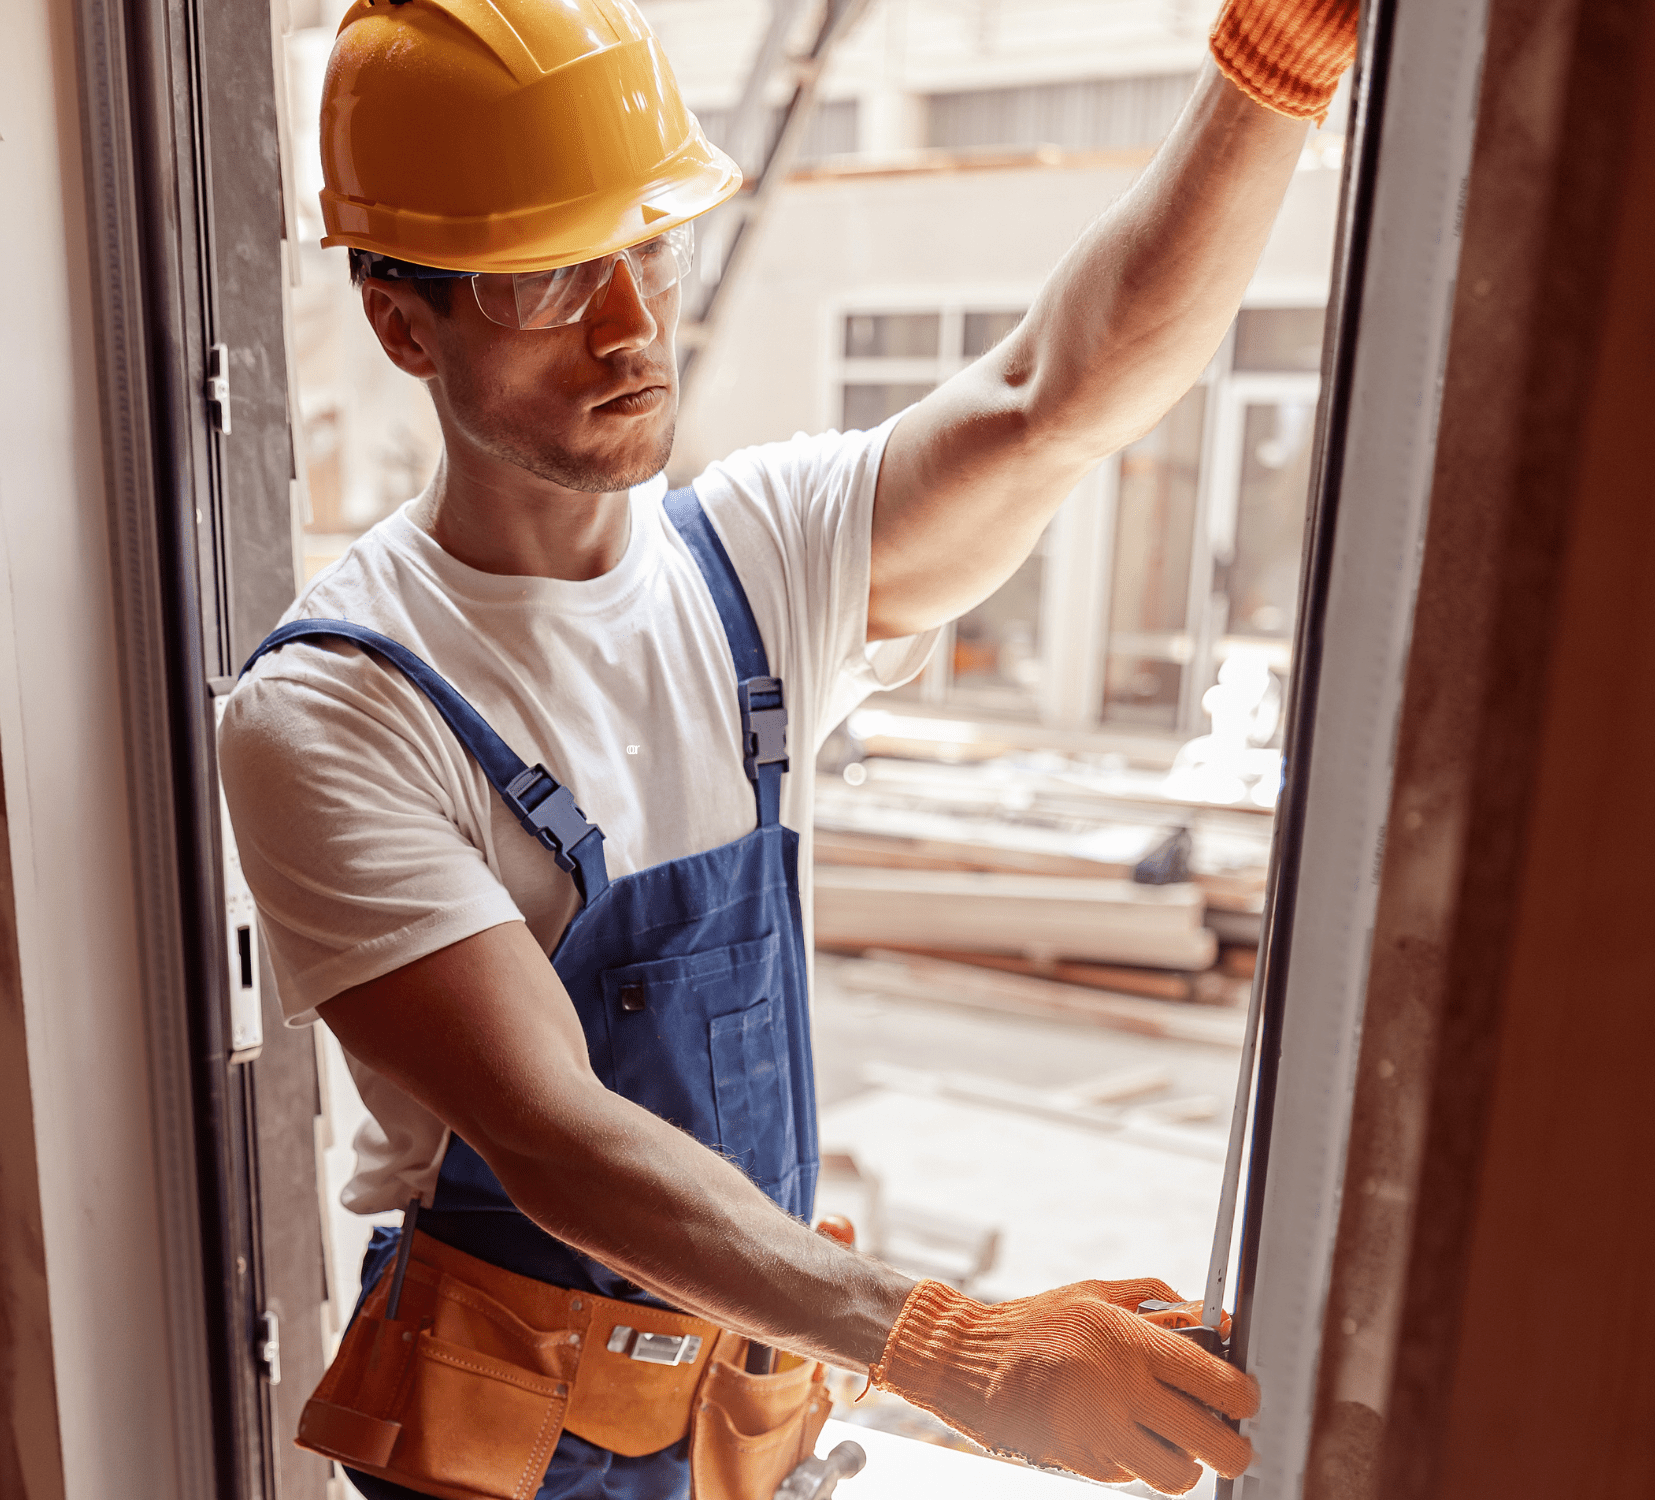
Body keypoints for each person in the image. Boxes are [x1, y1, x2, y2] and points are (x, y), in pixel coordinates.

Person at [220, 0, 1356, 1494]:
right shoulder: (335, 709)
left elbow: (1051, 400)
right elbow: (554, 1141)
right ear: (398, 318)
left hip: (739, 1407)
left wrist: (1270, 75)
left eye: (651, 248)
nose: (630, 326)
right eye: (552, 278)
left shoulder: (752, 560)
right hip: (505, 1444)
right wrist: (955, 1347)